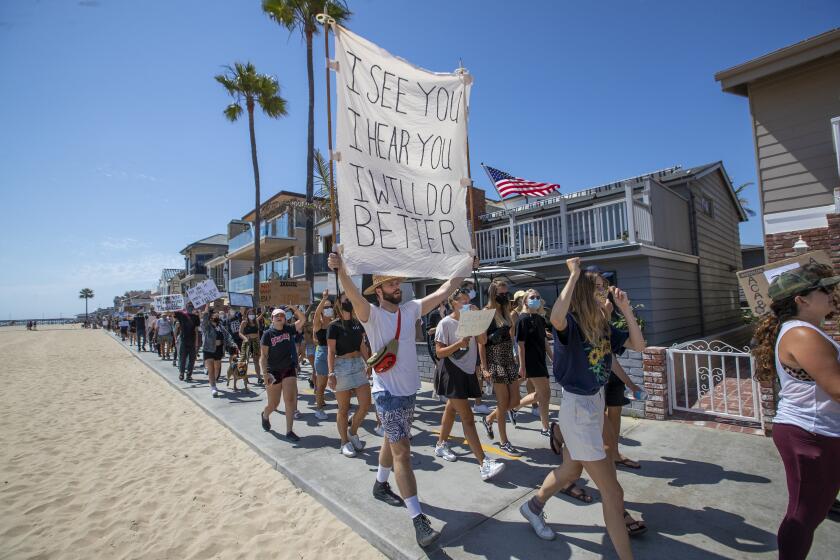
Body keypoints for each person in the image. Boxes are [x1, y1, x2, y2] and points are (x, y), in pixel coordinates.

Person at [328, 250, 473, 548]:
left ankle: (380, 485)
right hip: (388, 395)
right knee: (402, 453)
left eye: (399, 283)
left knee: (392, 441)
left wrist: (466, 265)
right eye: (391, 284)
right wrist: (340, 269)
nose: (398, 287)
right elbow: (353, 294)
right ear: (378, 291)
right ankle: (418, 521)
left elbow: (446, 289)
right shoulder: (371, 314)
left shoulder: (412, 309)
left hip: (409, 393)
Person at [520, 258, 646, 559]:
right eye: (599, 288)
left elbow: (639, 346)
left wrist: (626, 310)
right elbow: (557, 318)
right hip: (578, 408)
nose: (604, 292)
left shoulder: (603, 327)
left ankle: (533, 507)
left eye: (605, 287)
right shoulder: (572, 324)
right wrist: (574, 275)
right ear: (584, 294)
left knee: (571, 469)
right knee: (613, 493)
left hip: (594, 402)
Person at [752, 264, 840, 560]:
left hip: (817, 429)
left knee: (813, 508)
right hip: (810, 432)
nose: (831, 294)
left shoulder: (805, 331)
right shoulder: (802, 334)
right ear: (801, 299)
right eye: (824, 290)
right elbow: (836, 388)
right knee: (803, 514)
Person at [433, 288, 506, 480]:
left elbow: (482, 340)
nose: (466, 303)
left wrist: (477, 322)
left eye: (468, 300)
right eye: (462, 301)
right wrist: (459, 343)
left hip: (467, 370)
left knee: (451, 409)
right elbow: (439, 352)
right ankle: (483, 463)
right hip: (451, 371)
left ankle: (440, 445)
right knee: (467, 418)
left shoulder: (470, 319)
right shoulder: (445, 323)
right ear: (453, 303)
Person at [479, 280, 523, 455]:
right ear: (493, 294)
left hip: (508, 359)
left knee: (516, 401)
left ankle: (489, 419)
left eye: (506, 293)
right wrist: (484, 368)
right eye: (502, 293)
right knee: (503, 402)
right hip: (494, 359)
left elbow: (511, 337)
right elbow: (481, 343)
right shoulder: (486, 313)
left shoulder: (506, 312)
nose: (505, 296)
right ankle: (504, 441)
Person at [326, 292, 371, 457]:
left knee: (366, 404)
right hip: (342, 367)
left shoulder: (357, 324)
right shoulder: (334, 326)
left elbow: (362, 346)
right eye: (346, 299)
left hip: (358, 366)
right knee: (343, 408)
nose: (349, 302)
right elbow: (330, 351)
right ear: (339, 303)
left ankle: (352, 431)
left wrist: (369, 363)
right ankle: (344, 442)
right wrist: (331, 372)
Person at [260, 306, 306, 441]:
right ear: (272, 319)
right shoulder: (267, 334)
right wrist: (265, 374)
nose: (279, 317)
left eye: (282, 315)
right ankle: (265, 415)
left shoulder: (289, 329)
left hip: (289, 369)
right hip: (273, 371)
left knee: (290, 400)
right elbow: (263, 356)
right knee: (274, 404)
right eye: (276, 316)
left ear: (285, 318)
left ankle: (289, 431)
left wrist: (294, 308)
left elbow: (302, 319)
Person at [514, 289, 554, 437]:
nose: (536, 299)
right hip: (530, 361)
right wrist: (522, 365)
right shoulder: (522, 319)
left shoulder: (539, 318)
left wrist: (552, 357)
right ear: (525, 301)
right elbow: (520, 344)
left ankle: (515, 408)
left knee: (543, 393)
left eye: (538, 297)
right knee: (545, 393)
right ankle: (545, 428)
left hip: (540, 359)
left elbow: (544, 341)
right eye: (532, 297)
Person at [200, 305, 237, 398]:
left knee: (217, 368)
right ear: (210, 316)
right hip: (208, 350)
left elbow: (228, 336)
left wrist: (233, 344)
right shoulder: (206, 326)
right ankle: (213, 387)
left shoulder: (220, 327)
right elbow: (204, 317)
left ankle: (214, 381)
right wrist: (207, 305)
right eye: (214, 314)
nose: (216, 316)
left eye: (217, 315)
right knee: (211, 369)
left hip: (219, 350)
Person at [311, 292, 333, 420]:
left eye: (330, 307)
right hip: (323, 355)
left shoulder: (335, 322)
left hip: (335, 354)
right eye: (325, 307)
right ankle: (319, 409)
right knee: (322, 385)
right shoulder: (318, 324)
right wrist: (324, 299)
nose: (328, 309)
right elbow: (316, 315)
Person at [174, 305, 200, 381]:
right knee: (188, 359)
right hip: (187, 340)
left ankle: (185, 374)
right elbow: (196, 330)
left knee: (186, 359)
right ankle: (184, 374)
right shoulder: (192, 316)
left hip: (187, 340)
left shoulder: (192, 316)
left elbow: (196, 330)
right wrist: (196, 343)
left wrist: (196, 343)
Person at [239, 308, 263, 385]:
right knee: (245, 360)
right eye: (250, 314)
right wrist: (245, 338)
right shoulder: (244, 322)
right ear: (247, 315)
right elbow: (240, 333)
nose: (251, 315)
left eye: (253, 314)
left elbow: (258, 333)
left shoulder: (256, 322)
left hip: (255, 342)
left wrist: (259, 345)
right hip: (247, 341)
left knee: (256, 360)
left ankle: (259, 378)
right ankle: (245, 378)